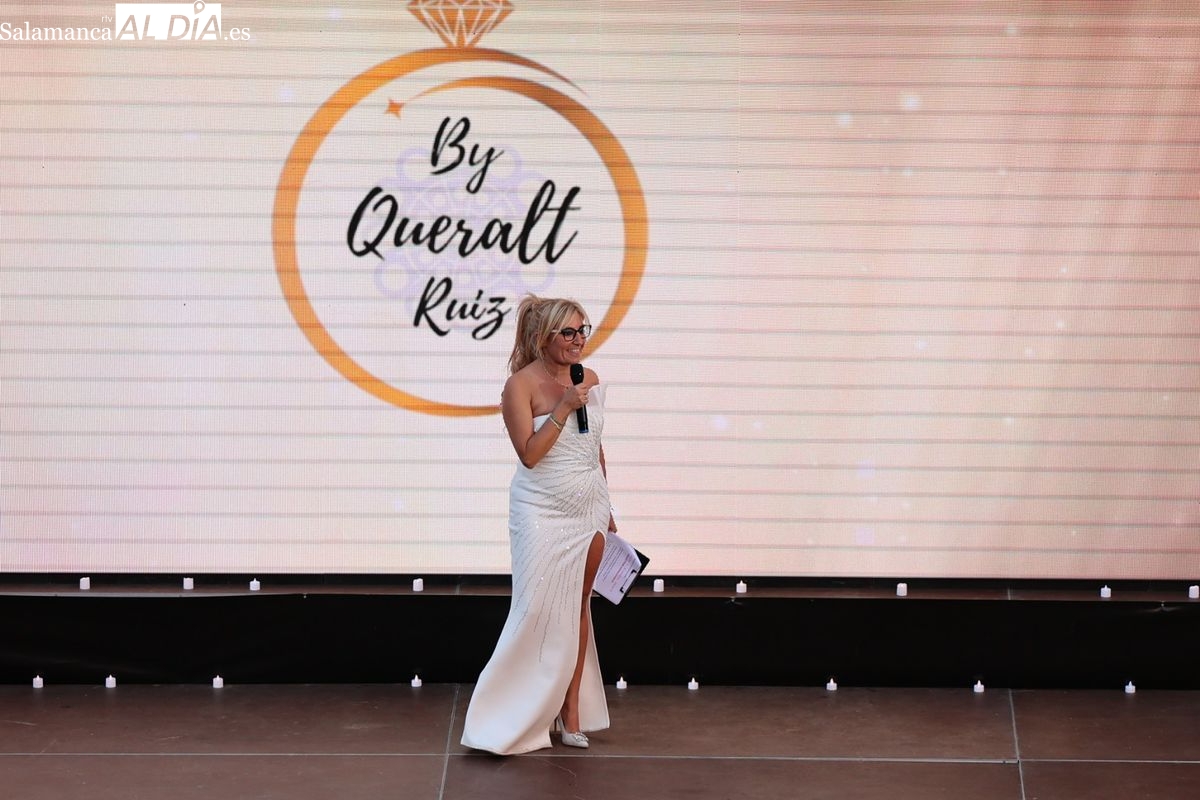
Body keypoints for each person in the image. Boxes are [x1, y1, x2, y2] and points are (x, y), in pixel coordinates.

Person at [460, 294, 617, 755]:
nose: (578, 339)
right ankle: (508, 714)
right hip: (540, 511)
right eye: (568, 332)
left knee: (579, 606)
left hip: (589, 507)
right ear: (544, 337)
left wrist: (608, 506)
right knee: (535, 610)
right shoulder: (520, 385)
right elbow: (529, 455)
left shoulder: (589, 378)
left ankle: (570, 712)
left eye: (583, 330)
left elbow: (594, 446)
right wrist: (564, 407)